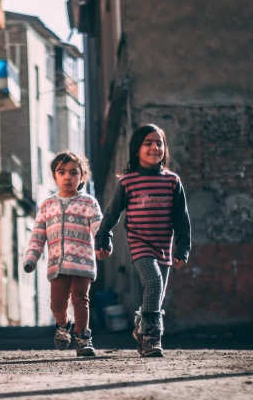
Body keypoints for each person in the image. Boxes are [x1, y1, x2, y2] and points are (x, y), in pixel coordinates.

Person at [95, 124, 191, 357]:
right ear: (136, 149)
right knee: (154, 283)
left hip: (164, 247)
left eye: (159, 143)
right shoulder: (129, 181)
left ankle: (142, 326)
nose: (154, 147)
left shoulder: (172, 181)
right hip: (140, 245)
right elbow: (111, 213)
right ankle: (150, 338)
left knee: (157, 296)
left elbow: (181, 218)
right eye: (148, 143)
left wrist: (183, 249)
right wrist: (103, 238)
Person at [24, 151, 103, 356]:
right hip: (57, 265)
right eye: (62, 172)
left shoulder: (89, 203)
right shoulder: (48, 205)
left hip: (83, 263)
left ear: (82, 176)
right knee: (57, 304)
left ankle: (83, 337)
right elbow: (38, 235)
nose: (68, 177)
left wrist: (103, 244)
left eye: (73, 172)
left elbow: (98, 227)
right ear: (54, 177)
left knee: (80, 299)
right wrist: (31, 258)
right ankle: (63, 324)